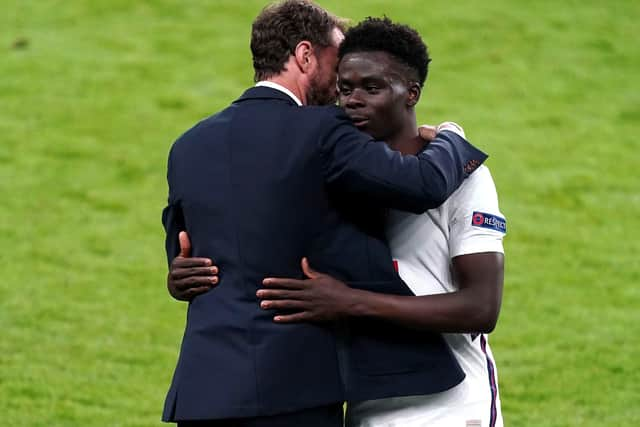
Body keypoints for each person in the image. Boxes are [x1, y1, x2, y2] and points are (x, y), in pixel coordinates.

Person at [162, 1, 487, 425]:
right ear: (304, 56)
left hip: (203, 393)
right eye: (336, 62)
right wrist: (452, 136)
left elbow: (184, 251)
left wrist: (175, 278)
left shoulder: (189, 144)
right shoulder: (322, 129)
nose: (341, 86)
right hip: (293, 391)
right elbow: (423, 184)